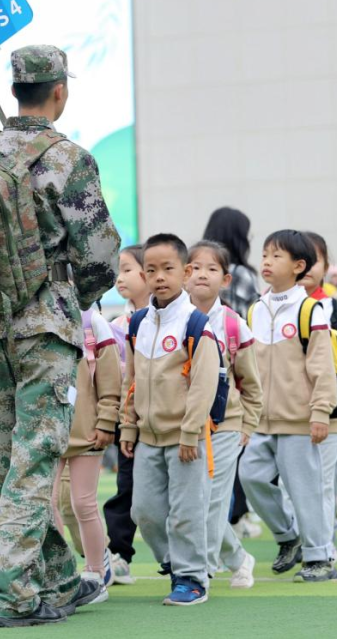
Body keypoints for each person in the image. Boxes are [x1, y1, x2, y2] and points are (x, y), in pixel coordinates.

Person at [0, 45, 120, 627]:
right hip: (44, 323)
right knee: (36, 454)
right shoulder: (69, 157)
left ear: (15, 89)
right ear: (59, 90)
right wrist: (74, 301)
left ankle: (60, 578)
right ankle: (17, 593)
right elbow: (99, 254)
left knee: (11, 456)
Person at [119, 234, 219, 606]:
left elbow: (203, 385)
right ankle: (175, 562)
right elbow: (130, 380)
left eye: (168, 269)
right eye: (151, 270)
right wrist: (128, 425)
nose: (159, 277)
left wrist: (191, 432)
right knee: (143, 510)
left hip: (185, 438)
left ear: (186, 272)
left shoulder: (196, 324)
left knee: (186, 512)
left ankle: (192, 579)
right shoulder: (138, 323)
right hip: (147, 435)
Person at [240, 230, 337, 583]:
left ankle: (320, 556)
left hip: (299, 419)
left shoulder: (310, 310)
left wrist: (320, 412)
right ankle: (288, 536)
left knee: (305, 490)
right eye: (265, 254)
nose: (266, 261)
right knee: (250, 476)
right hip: (262, 420)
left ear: (299, 266)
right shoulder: (255, 309)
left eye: (276, 256)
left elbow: (322, 367)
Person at [186, 240, 263, 589]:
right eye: (195, 267)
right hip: (185, 425)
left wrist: (248, 423)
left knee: (214, 501)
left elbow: (251, 381)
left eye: (211, 268)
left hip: (226, 423)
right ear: (184, 274)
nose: (202, 274)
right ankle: (238, 558)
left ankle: (199, 571)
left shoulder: (233, 324)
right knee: (193, 502)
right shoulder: (173, 319)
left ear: (226, 279)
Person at [51, 303, 121, 595]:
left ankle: (96, 572)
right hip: (46, 431)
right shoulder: (34, 314)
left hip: (87, 430)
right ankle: (56, 572)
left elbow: (110, 378)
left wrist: (106, 421)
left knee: (83, 504)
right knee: (44, 504)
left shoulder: (93, 321)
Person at [102, 245, 149, 585]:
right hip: (128, 420)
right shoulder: (117, 324)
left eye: (127, 269)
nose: (120, 277)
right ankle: (119, 554)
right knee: (126, 487)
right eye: (118, 270)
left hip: (165, 419)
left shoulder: (171, 319)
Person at [301, 231, 337, 558]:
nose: (305, 267)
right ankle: (299, 539)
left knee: (323, 481)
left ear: (326, 266)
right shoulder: (265, 308)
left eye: (313, 260)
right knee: (290, 484)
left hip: (331, 408)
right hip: (287, 410)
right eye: (298, 260)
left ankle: (323, 544)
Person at [202, 207, 260, 317]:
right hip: (234, 327)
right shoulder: (242, 274)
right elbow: (255, 317)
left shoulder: (194, 272)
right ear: (238, 239)